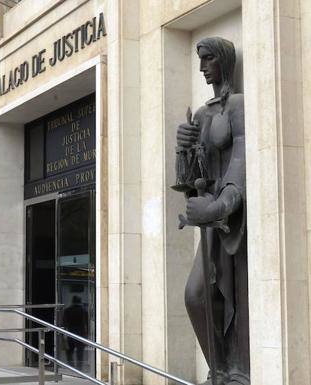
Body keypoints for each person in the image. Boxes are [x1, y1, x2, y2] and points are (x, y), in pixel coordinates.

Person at [176, 37, 248, 385]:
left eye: (208, 60)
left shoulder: (237, 105)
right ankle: (217, 369)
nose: (203, 67)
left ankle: (234, 370)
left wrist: (220, 205)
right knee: (195, 295)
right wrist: (183, 149)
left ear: (223, 60)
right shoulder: (203, 113)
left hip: (232, 217)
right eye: (200, 60)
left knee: (232, 298)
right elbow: (189, 180)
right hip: (209, 217)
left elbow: (241, 162)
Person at [62, 296, 87, 369]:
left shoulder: (67, 310)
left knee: (69, 351)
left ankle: (71, 365)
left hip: (70, 331)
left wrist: (64, 334)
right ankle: (79, 366)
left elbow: (64, 323)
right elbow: (86, 323)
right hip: (80, 332)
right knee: (80, 351)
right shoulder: (83, 310)